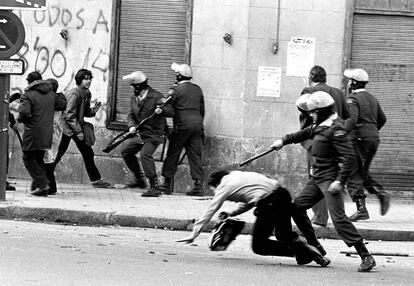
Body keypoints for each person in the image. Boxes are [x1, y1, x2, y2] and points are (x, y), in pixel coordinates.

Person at [271, 91, 376, 272]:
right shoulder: (321, 125)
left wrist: (340, 180)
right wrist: (283, 141)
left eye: (314, 112)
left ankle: (366, 256)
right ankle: (314, 244)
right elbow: (303, 133)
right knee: (296, 207)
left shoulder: (336, 129)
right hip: (317, 179)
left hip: (329, 181)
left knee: (339, 220)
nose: (311, 115)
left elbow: (350, 157)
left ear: (324, 111)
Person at [177, 169, 330, 267]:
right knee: (284, 235)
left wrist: (194, 232)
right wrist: (231, 213)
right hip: (282, 195)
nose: (215, 192)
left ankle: (303, 252)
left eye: (213, 190)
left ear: (217, 184)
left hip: (270, 203)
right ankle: (313, 254)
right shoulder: (238, 175)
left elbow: (211, 208)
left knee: (259, 246)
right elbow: (250, 200)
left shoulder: (224, 185)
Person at [300, 65, 350, 227]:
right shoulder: (339, 93)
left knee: (317, 176)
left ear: (310, 77)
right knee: (332, 176)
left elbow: (304, 116)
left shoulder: (308, 92)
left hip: (318, 143)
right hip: (336, 142)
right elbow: (347, 117)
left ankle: (321, 217)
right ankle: (336, 216)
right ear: (325, 78)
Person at [343, 68, 389, 222]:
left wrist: (341, 133)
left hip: (359, 140)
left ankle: (361, 209)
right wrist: (371, 131)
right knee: (362, 172)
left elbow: (352, 119)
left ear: (354, 83)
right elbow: (382, 119)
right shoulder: (372, 98)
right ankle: (380, 192)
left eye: (350, 80)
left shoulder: (353, 98)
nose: (348, 82)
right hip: (373, 139)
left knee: (353, 173)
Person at [54, 69, 111, 188]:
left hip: (75, 126)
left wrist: (93, 111)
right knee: (58, 153)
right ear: (79, 80)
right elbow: (69, 115)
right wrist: (79, 132)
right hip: (66, 128)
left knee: (87, 152)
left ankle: (96, 180)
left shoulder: (86, 93)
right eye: (85, 79)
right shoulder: (74, 94)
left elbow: (83, 112)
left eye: (90, 78)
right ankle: (45, 176)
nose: (88, 81)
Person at [121, 71, 173, 197]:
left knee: (145, 154)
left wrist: (162, 110)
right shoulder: (135, 97)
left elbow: (171, 111)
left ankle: (154, 187)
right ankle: (139, 180)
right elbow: (131, 114)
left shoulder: (156, 96)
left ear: (139, 86)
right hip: (142, 134)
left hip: (154, 134)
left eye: (134, 86)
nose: (133, 89)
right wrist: (131, 126)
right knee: (127, 152)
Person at [159, 63, 205, 196]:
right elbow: (202, 110)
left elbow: (167, 108)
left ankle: (166, 184)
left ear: (179, 76)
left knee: (173, 154)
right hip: (197, 126)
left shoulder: (175, 90)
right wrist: (199, 125)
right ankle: (198, 186)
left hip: (182, 127)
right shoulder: (198, 89)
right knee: (195, 156)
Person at [17, 71, 67, 196]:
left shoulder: (28, 95)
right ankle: (41, 188)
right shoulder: (51, 94)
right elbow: (61, 104)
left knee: (27, 157)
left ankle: (43, 184)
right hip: (47, 133)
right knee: (39, 159)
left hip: (33, 131)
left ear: (30, 82)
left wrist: (24, 122)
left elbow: (24, 113)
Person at [40, 78, 65, 195]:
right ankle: (50, 186)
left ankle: (50, 186)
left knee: (47, 158)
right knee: (49, 157)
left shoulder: (54, 99)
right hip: (55, 132)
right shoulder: (59, 98)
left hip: (50, 131)